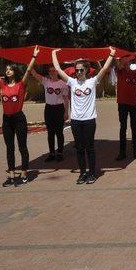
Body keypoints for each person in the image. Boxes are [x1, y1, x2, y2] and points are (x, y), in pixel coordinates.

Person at [52, 47, 115, 184]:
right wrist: (53, 54)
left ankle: (92, 173)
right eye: (77, 70)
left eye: (81, 70)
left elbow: (104, 69)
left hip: (89, 120)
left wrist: (111, 54)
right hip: (75, 121)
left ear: (86, 70)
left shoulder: (92, 82)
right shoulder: (72, 82)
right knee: (79, 148)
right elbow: (58, 69)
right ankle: (82, 173)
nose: (79, 72)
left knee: (89, 147)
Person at [0, 47, 38, 187]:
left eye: (10, 69)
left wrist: (34, 56)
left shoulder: (21, 85)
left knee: (22, 147)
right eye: (6, 69)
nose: (7, 71)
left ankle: (23, 174)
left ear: (15, 71)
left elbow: (28, 70)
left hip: (19, 119)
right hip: (6, 120)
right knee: (9, 148)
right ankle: (11, 176)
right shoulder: (2, 84)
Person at [30, 65, 70, 162]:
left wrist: (66, 112)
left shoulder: (63, 83)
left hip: (59, 109)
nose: (52, 72)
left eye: (54, 71)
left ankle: (60, 153)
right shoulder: (46, 81)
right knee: (50, 132)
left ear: (57, 72)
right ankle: (52, 153)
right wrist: (30, 64)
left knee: (59, 132)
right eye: (50, 71)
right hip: (49, 109)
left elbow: (66, 99)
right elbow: (34, 74)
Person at [114, 53, 136, 160]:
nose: (127, 62)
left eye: (129, 61)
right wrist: (122, 58)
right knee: (123, 127)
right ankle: (122, 152)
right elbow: (118, 65)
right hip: (122, 103)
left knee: (134, 127)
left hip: (134, 103)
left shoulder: (134, 72)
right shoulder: (120, 71)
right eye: (125, 60)